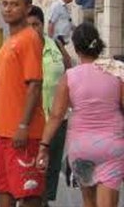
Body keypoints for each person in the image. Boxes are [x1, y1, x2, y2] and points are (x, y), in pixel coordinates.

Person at [36, 23, 124, 207]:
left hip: (81, 147)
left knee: (88, 202)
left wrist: (43, 146)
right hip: (111, 146)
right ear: (98, 44)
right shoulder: (116, 70)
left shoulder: (70, 76)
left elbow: (56, 116)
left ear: (75, 48)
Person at [0, 0, 46, 207]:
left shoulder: (29, 38)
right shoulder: (8, 43)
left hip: (25, 134)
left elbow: (35, 85)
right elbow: (2, 84)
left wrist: (23, 125)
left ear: (27, 8)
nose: (8, 9)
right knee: (3, 189)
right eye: (5, 4)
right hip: (4, 133)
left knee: (28, 192)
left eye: (15, 5)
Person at [27, 5, 72, 207]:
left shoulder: (55, 44)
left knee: (51, 169)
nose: (32, 29)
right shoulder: (22, 49)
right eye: (28, 26)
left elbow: (69, 67)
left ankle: (44, 203)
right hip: (33, 121)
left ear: (43, 25)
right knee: (33, 172)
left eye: (36, 24)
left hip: (57, 120)